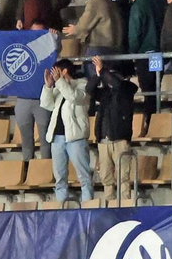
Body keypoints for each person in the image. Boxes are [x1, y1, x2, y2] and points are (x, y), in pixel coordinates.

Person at [41, 59, 92, 203]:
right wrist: (48, 86)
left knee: (84, 176)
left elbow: (74, 97)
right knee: (60, 178)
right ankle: (61, 208)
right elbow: (46, 104)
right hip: (57, 138)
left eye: (55, 71)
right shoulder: (58, 87)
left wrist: (59, 82)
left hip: (75, 137)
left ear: (64, 71)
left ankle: (88, 207)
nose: (53, 74)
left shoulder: (82, 85)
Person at [89, 56, 137, 203]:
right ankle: (109, 202)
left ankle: (126, 202)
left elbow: (117, 85)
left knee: (123, 175)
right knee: (105, 175)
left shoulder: (127, 88)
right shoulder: (105, 93)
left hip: (120, 139)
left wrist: (103, 71)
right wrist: (98, 75)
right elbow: (89, 89)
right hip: (103, 140)